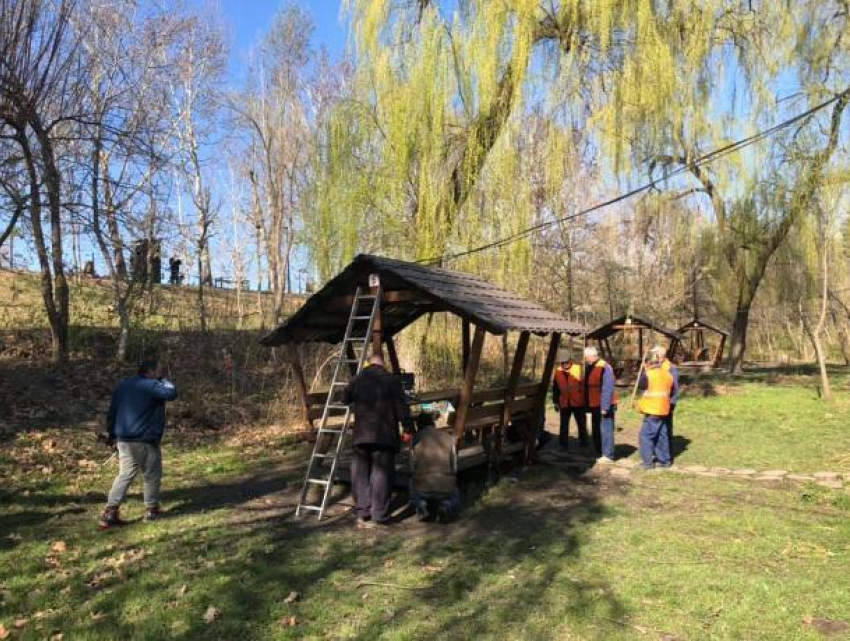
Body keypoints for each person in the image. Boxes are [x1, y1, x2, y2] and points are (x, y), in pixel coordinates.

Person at [99, 360, 178, 529]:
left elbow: (112, 411)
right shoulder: (151, 385)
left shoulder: (124, 385)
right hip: (144, 439)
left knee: (125, 474)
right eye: (159, 370)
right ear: (149, 371)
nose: (161, 373)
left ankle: (110, 512)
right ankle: (152, 510)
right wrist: (164, 379)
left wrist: (112, 434)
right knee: (151, 474)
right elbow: (171, 393)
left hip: (124, 439)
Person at [342, 354, 413, 529]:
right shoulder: (391, 380)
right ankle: (379, 514)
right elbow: (402, 408)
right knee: (382, 474)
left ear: (369, 364)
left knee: (360, 474)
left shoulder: (358, 379)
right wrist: (408, 427)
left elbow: (344, 398)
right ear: (383, 364)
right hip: (385, 435)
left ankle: (362, 512)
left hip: (361, 435)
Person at [409, 412, 460, 522]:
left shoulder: (416, 440)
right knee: (455, 494)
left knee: (410, 482)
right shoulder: (449, 438)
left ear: (418, 426)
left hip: (422, 487)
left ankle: (421, 505)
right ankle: (447, 504)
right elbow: (454, 467)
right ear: (433, 424)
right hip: (446, 487)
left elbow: (412, 467)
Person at [636, 352, 676, 469]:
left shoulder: (648, 375)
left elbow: (641, 386)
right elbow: (672, 391)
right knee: (661, 436)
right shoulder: (668, 375)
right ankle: (665, 461)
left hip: (652, 410)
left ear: (647, 363)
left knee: (645, 436)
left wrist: (644, 372)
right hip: (664, 409)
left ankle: (647, 462)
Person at [583, 346, 618, 464]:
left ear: (592, 356)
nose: (585, 359)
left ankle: (608, 455)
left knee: (606, 429)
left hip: (603, 404)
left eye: (586, 357)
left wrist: (605, 407)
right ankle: (599, 451)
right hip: (594, 404)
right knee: (596, 429)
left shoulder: (605, 367)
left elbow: (608, 388)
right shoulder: (591, 367)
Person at [552, 350, 589, 452]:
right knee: (564, 425)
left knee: (581, 424)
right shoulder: (558, 372)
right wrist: (555, 402)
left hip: (578, 402)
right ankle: (563, 444)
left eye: (566, 362)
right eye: (562, 362)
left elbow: (586, 386)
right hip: (564, 402)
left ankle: (584, 442)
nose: (564, 364)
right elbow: (555, 388)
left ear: (570, 360)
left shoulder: (579, 369)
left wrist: (586, 401)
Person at [653, 345, 680, 461]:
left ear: (660, 356)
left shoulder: (671, 368)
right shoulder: (654, 367)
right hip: (654, 404)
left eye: (654, 354)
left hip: (666, 403)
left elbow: (675, 387)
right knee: (655, 430)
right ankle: (657, 452)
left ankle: (666, 454)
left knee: (666, 429)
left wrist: (672, 403)